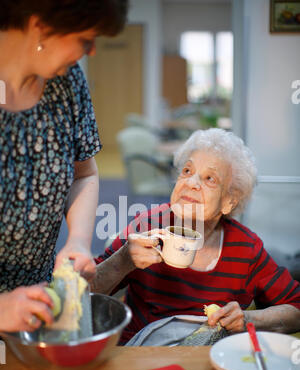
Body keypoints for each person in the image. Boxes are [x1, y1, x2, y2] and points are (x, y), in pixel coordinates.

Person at [91, 128, 300, 344]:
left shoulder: (246, 248)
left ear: (229, 201)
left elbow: (296, 307)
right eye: (187, 171)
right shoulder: (147, 226)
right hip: (141, 359)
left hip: (207, 364)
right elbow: (81, 295)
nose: (191, 183)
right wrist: (122, 261)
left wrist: (248, 319)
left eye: (210, 179)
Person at [0, 0, 128, 332]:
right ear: (41, 24)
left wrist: (79, 242)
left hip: (36, 302)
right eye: (86, 38)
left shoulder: (66, 81)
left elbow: (83, 174)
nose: (93, 51)